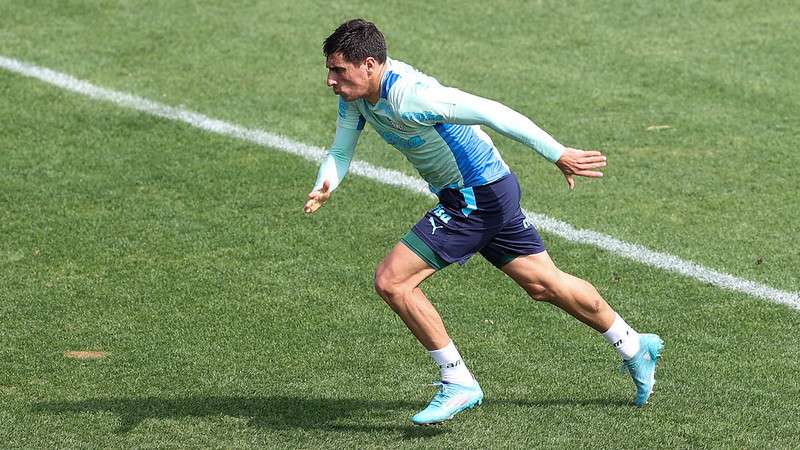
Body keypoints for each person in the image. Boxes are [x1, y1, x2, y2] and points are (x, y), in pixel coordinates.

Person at [304, 18, 663, 425]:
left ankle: (457, 381)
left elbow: (492, 112)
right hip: (487, 192)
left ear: (369, 64)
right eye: (329, 70)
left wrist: (557, 153)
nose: (330, 80)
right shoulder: (355, 98)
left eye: (338, 70)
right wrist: (326, 184)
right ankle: (634, 345)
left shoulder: (412, 96)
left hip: (476, 196)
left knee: (393, 280)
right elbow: (340, 149)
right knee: (544, 284)